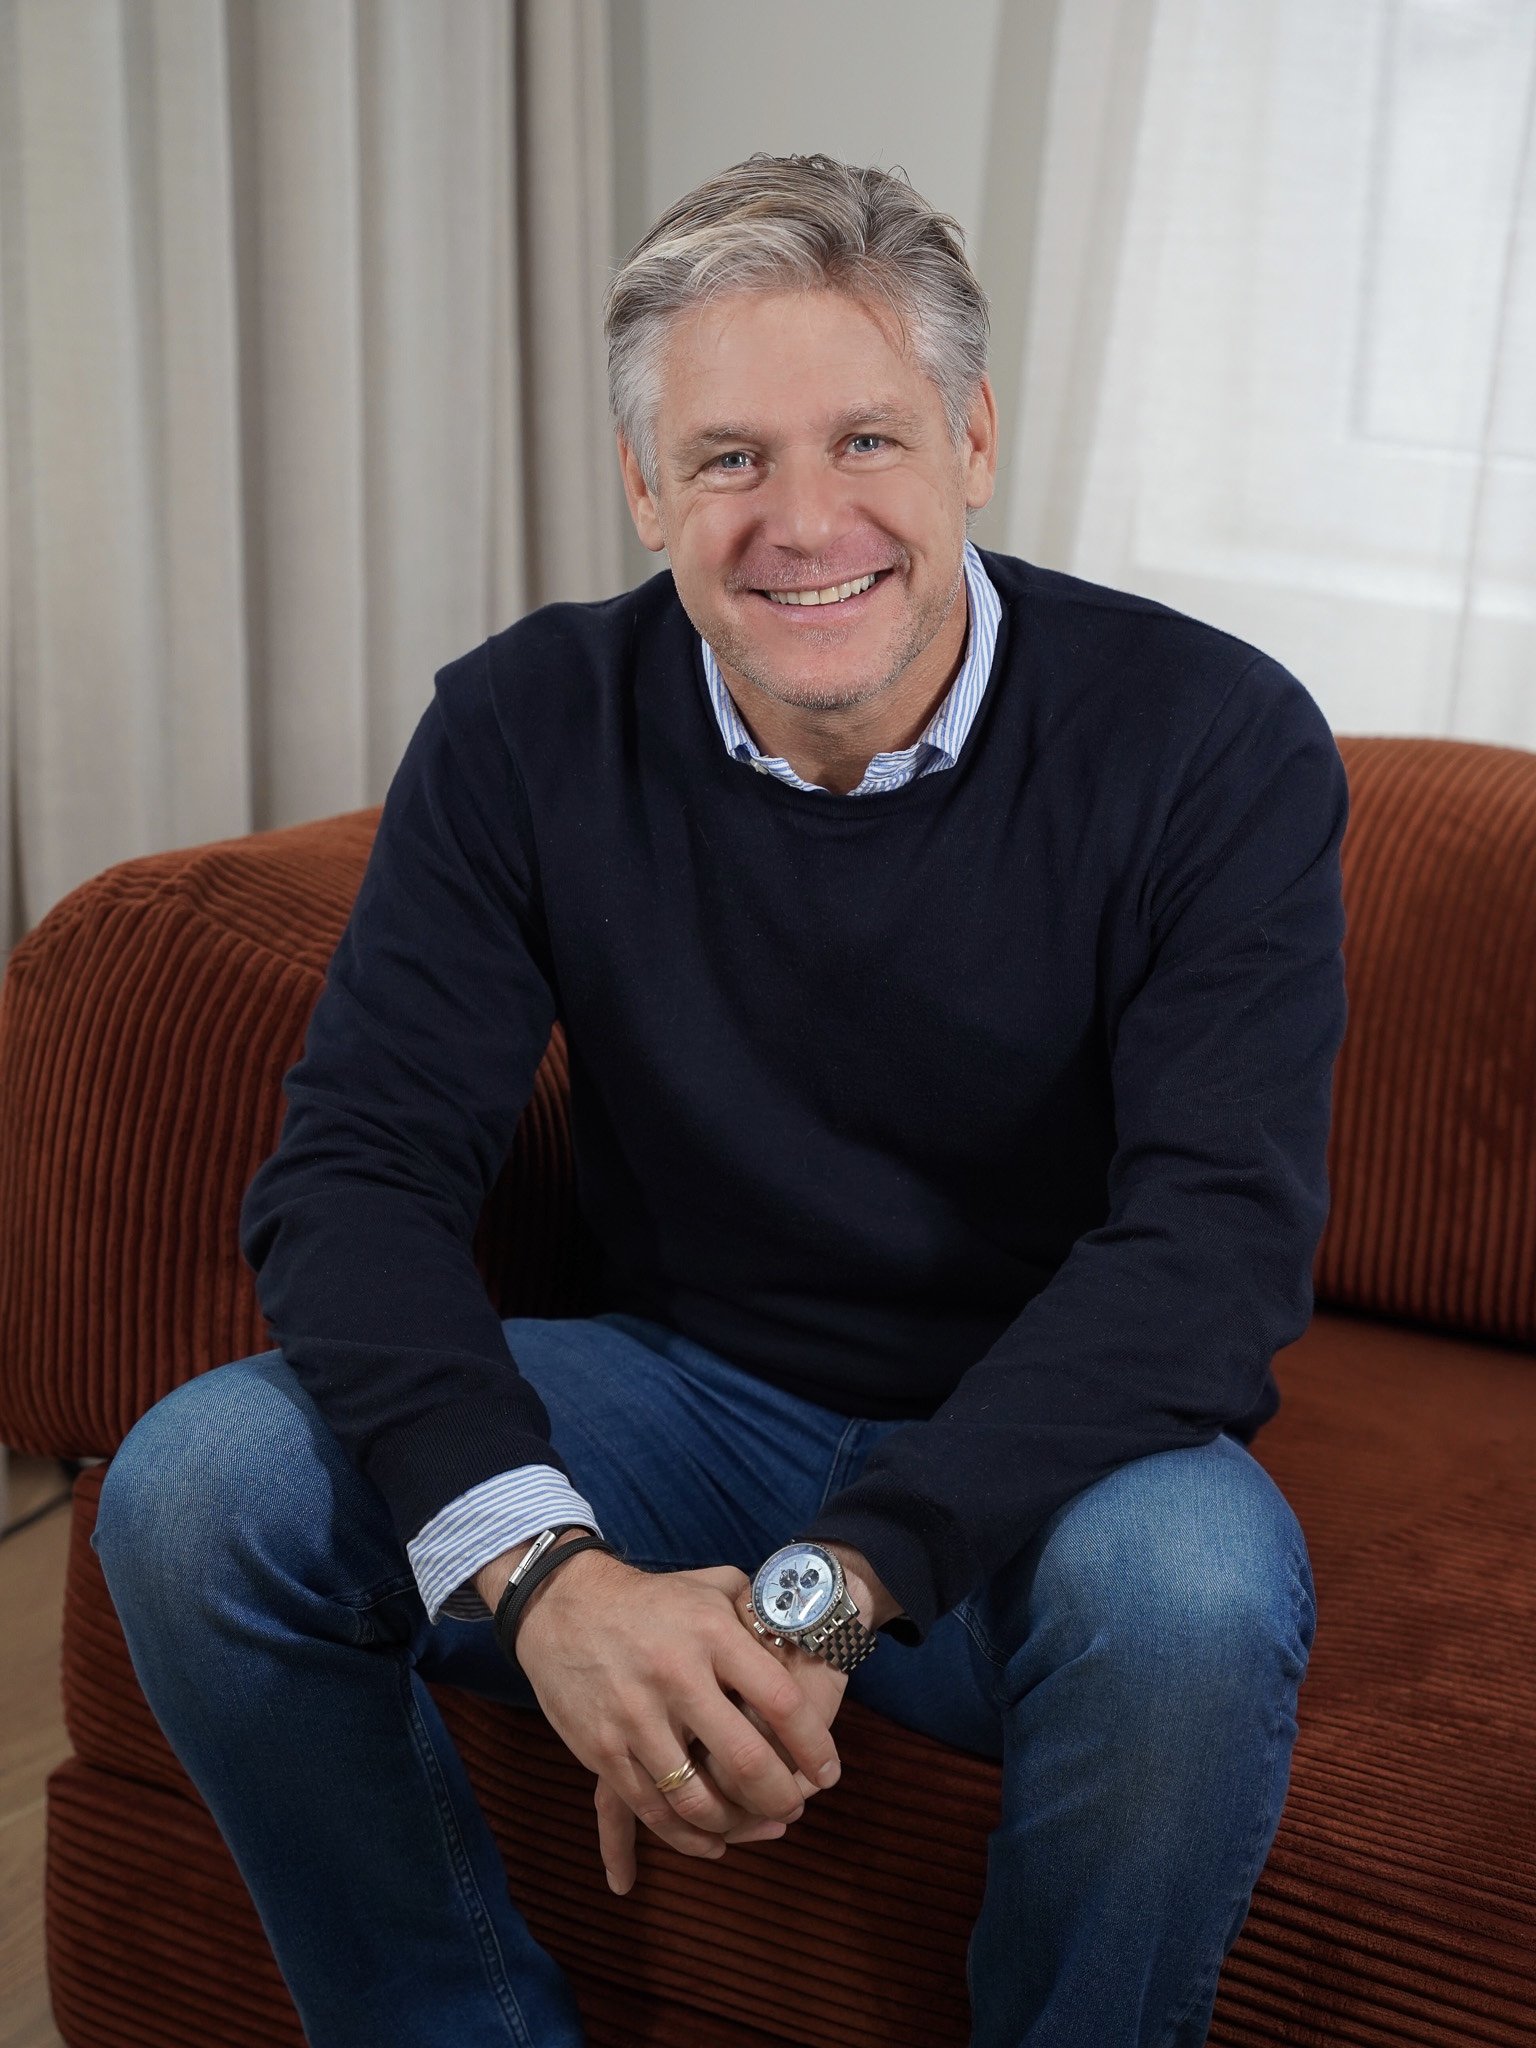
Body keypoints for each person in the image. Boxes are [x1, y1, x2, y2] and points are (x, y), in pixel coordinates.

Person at [90, 152, 1340, 2048]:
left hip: (1048, 1460)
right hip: (674, 1402)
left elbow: (1212, 1254)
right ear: (644, 486)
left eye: (867, 439)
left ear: (973, 441)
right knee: (201, 1489)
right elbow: (357, 1173)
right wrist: (552, 1579)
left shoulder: (1213, 739)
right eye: (730, 457)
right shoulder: (523, 723)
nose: (803, 522)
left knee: (1196, 1588)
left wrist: (830, 1595)